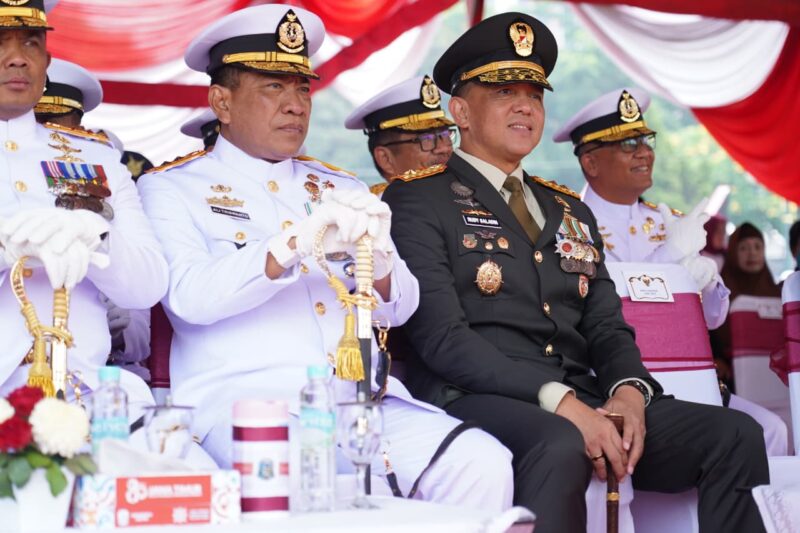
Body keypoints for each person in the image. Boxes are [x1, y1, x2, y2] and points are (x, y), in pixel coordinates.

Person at [382, 12, 768, 533]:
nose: (525, 105)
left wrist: (629, 392)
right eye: (503, 91)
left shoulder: (568, 209)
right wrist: (561, 402)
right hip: (475, 398)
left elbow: (606, 325)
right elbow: (443, 339)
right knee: (561, 443)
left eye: (534, 94)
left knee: (735, 435)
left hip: (583, 395)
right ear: (460, 111)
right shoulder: (416, 200)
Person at [137, 4, 513, 510]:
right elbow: (190, 298)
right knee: (307, 484)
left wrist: (378, 262)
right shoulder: (171, 187)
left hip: (357, 402)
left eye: (302, 89)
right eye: (273, 87)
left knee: (481, 462)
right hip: (249, 406)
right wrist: (293, 243)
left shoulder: (341, 186)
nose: (295, 106)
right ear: (221, 102)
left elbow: (401, 308)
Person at [554, 88, 787, 456]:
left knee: (773, 430)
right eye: (628, 144)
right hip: (613, 384)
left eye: (646, 141)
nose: (644, 152)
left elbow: (713, 318)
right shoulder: (568, 226)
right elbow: (607, 309)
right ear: (591, 162)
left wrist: (705, 282)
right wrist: (671, 257)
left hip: (686, 376)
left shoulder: (667, 221)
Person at [0, 0, 165, 417]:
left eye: (31, 43)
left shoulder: (96, 158)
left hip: (89, 394)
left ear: (47, 61)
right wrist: (8, 249)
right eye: (0, 42)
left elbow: (148, 285)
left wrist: (96, 238)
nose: (17, 57)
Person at [32, 57, 153, 382]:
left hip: (99, 372)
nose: (45, 136)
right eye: (34, 122)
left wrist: (119, 326)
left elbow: (140, 315)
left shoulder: (107, 185)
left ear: (80, 130)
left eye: (57, 125)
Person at [344, 75, 455, 195]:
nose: (444, 148)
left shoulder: (463, 199)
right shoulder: (374, 207)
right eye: (426, 139)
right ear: (385, 159)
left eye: (445, 135)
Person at [712, 222, 782, 377]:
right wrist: (717, 360)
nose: (752, 253)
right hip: (731, 377)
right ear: (732, 252)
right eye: (743, 248)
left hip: (775, 378)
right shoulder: (719, 294)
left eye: (757, 247)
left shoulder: (778, 294)